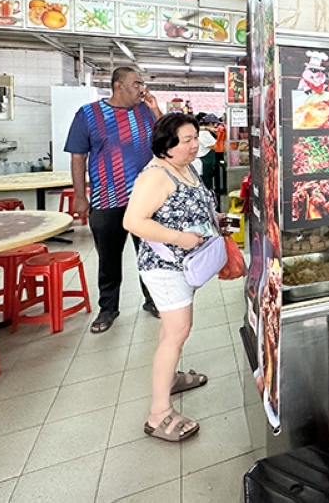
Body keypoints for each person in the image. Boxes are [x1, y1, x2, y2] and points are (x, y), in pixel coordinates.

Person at [123, 113, 216, 443]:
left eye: (196, 138)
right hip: (165, 268)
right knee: (178, 331)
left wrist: (216, 219)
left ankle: (170, 378)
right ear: (166, 146)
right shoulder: (155, 176)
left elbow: (192, 205)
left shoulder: (186, 167)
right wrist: (180, 237)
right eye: (187, 140)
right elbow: (133, 222)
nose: (195, 145)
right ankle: (158, 414)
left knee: (170, 330)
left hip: (186, 264)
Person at [65, 67, 162, 333]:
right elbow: (78, 158)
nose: (142, 88)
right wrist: (80, 196)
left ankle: (153, 300)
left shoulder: (144, 111)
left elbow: (166, 138)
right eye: (136, 83)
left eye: (142, 83)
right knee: (109, 259)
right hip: (106, 200)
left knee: (150, 254)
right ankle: (108, 309)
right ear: (118, 86)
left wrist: (155, 110)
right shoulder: (88, 114)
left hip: (145, 200)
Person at [196, 114, 218, 192]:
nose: (216, 127)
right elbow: (215, 147)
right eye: (216, 124)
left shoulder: (204, 132)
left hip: (204, 163)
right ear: (211, 124)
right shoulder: (204, 133)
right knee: (206, 188)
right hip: (203, 164)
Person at [213, 115, 227, 197]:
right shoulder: (222, 128)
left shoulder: (221, 128)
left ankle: (219, 189)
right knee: (220, 169)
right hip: (220, 151)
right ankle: (220, 190)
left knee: (219, 169)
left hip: (220, 150)